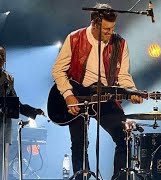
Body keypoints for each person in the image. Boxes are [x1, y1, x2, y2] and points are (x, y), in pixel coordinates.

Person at [51, 3, 143, 180]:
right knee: (79, 144)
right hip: (78, 97)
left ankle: (119, 178)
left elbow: (123, 75)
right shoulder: (74, 38)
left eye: (112, 28)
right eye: (106, 29)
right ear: (94, 23)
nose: (110, 33)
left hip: (105, 97)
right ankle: (81, 177)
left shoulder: (120, 44)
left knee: (124, 137)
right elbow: (58, 70)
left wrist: (132, 92)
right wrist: (68, 95)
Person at [0, 45, 44, 179]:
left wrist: (32, 111)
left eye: (2, 56)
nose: (0, 58)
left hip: (4, 123)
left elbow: (14, 102)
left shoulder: (8, 78)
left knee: (3, 158)